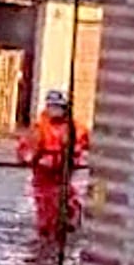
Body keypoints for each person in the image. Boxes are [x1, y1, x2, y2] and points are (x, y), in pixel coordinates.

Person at [16, 89, 89, 239]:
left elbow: (89, 144)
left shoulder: (76, 128)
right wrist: (31, 159)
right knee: (47, 210)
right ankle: (47, 240)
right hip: (45, 178)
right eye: (51, 106)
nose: (55, 110)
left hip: (65, 175)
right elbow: (25, 150)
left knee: (70, 206)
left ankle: (67, 232)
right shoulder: (40, 128)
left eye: (58, 107)